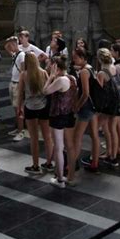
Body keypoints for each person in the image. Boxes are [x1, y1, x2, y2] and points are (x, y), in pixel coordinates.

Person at [17, 52, 54, 174]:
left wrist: (19, 107)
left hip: (30, 107)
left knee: (34, 138)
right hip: (44, 107)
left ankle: (35, 165)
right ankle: (49, 163)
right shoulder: (43, 72)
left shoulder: (24, 75)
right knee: (47, 136)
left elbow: (20, 93)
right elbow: (49, 89)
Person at [44, 55, 77, 187]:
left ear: (56, 67)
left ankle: (59, 179)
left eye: (50, 66)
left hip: (58, 116)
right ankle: (70, 177)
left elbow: (45, 91)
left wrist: (51, 77)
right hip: (69, 114)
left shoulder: (60, 80)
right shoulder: (72, 78)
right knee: (69, 146)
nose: (47, 68)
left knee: (58, 147)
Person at [72, 46, 100, 174]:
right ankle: (95, 162)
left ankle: (72, 165)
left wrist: (77, 105)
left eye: (75, 58)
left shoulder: (83, 72)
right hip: (93, 106)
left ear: (82, 58)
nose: (73, 60)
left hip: (86, 107)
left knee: (76, 137)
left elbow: (85, 92)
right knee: (94, 135)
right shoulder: (90, 68)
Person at [96, 48, 120, 168]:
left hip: (107, 104)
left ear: (99, 58)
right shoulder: (113, 67)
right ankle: (112, 155)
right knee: (112, 129)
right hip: (116, 101)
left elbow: (99, 90)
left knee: (99, 126)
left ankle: (105, 154)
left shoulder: (101, 72)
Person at [5, 35, 26, 141]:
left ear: (15, 44)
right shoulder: (15, 54)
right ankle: (18, 128)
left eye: (11, 45)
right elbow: (6, 48)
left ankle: (21, 131)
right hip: (13, 82)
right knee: (15, 107)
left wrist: (22, 86)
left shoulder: (21, 55)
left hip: (18, 83)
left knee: (19, 108)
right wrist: (9, 41)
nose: (10, 47)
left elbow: (23, 71)